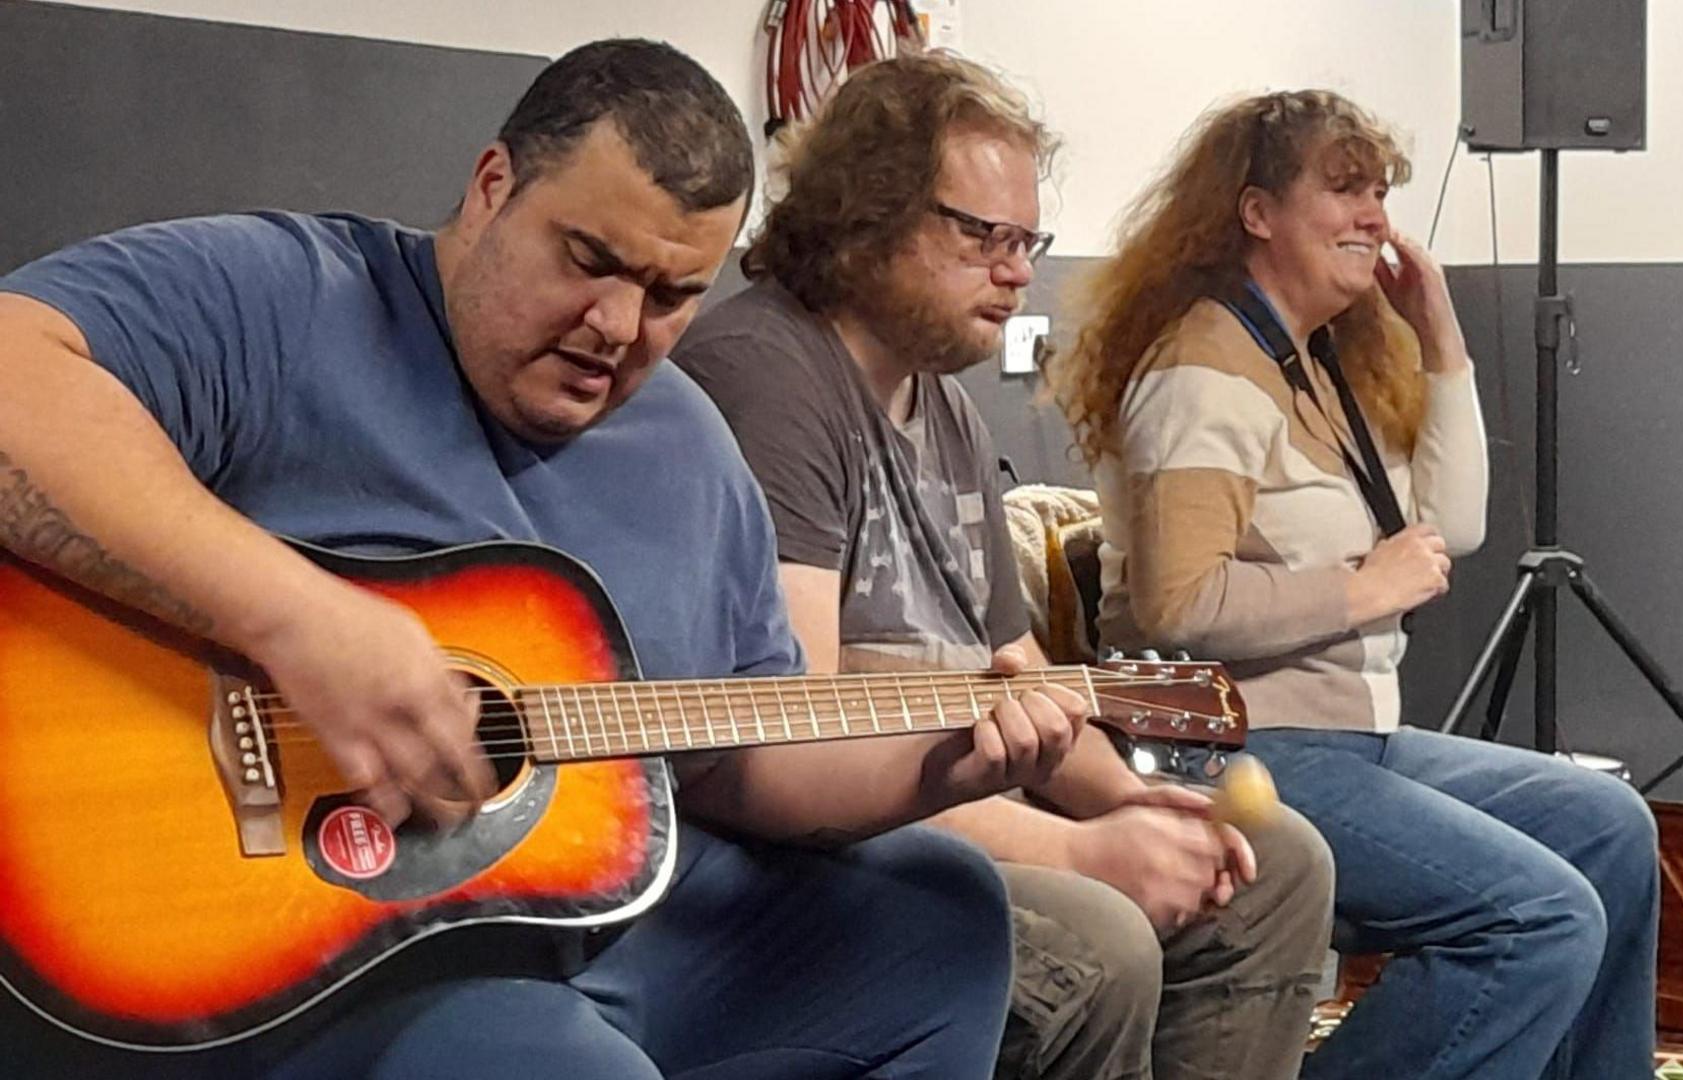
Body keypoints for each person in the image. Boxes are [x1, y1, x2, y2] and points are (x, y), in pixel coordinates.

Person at [0, 38, 1089, 1080]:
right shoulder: (291, 296)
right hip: (327, 937)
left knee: (940, 913)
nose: (618, 325)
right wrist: (296, 618)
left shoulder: (691, 448)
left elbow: (742, 756)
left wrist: (949, 763)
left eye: (673, 296)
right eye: (590, 260)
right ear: (490, 187)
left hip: (589, 915)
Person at [675, 54, 1334, 1080]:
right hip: (828, 836)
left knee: (1278, 865)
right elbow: (795, 735)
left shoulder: (938, 398)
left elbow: (1016, 671)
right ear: (865, 216)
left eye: (1029, 241)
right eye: (984, 235)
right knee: (1099, 941)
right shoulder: (765, 378)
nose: (1019, 270)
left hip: (957, 800)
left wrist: (1123, 799)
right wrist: (1075, 850)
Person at [1048, 89, 1659, 1080]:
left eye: (1380, 190)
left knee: (1610, 826)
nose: (1374, 214)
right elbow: (1174, 609)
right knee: (1538, 919)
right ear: (1256, 213)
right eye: (1343, 190)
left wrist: (1442, 339)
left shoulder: (1313, 362)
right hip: (1238, 744)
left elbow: (1446, 530)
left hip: (1347, 736)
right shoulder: (1202, 369)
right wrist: (1358, 590)